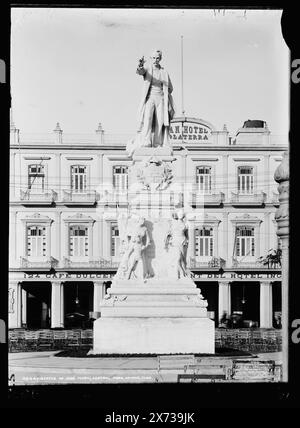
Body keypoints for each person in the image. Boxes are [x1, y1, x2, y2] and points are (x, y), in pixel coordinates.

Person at [136, 49, 175, 148]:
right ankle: (146, 141)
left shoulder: (164, 72)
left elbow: (170, 88)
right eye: (153, 58)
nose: (155, 60)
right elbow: (140, 71)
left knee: (160, 120)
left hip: (161, 98)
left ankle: (158, 143)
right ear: (150, 58)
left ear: (160, 59)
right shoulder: (148, 69)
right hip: (150, 97)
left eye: (157, 58)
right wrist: (140, 65)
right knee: (148, 119)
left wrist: (165, 93)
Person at [165, 210, 189, 279]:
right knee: (178, 258)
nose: (180, 215)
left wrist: (186, 241)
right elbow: (168, 233)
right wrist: (166, 243)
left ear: (183, 216)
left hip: (182, 241)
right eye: (179, 214)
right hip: (175, 242)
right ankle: (182, 272)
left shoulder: (185, 224)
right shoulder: (173, 223)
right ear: (177, 215)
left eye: (181, 214)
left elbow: (187, 235)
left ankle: (182, 273)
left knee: (183, 259)